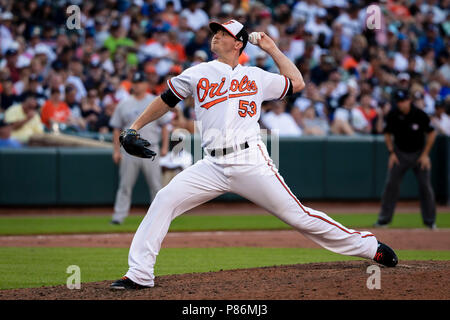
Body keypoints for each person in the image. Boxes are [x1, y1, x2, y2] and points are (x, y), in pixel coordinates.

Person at [111, 20, 398, 290]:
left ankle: (369, 247)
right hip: (212, 164)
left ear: (238, 43)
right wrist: (134, 127)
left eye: (223, 33)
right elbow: (165, 100)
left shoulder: (256, 76)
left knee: (298, 216)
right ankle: (139, 274)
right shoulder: (197, 72)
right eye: (216, 31)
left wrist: (272, 48)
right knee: (164, 199)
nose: (216, 35)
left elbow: (297, 83)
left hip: (250, 160)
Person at [109, 71, 171, 225]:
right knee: (125, 186)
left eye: (139, 82)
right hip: (129, 151)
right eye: (135, 83)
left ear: (146, 85)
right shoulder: (124, 103)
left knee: (156, 186)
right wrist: (116, 151)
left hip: (151, 149)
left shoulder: (155, 101)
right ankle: (118, 217)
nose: (136, 85)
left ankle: (158, 217)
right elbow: (116, 128)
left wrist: (164, 147)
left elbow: (164, 126)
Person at [375, 89, 437, 229]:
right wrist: (391, 153)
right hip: (400, 154)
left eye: (403, 101)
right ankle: (384, 220)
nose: (401, 104)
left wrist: (426, 154)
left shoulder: (419, 114)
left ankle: (430, 221)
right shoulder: (393, 115)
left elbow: (432, 133)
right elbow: (387, 134)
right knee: (391, 185)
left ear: (409, 100)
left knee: (425, 186)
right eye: (398, 101)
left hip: (419, 153)